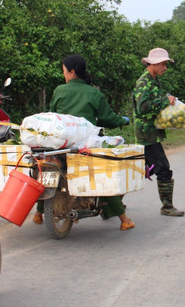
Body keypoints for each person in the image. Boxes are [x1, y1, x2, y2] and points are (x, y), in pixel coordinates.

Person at [33, 54, 134, 230]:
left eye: (64, 71)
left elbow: (53, 115)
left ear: (72, 72)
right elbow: (108, 118)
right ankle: (124, 220)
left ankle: (38, 214)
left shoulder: (59, 90)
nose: (63, 75)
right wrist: (122, 121)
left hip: (60, 144)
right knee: (101, 175)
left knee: (49, 173)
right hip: (84, 147)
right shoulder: (94, 93)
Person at [133, 47, 184, 217]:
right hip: (146, 135)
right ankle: (167, 207)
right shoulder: (143, 82)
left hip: (152, 133)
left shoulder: (154, 81)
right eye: (163, 64)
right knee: (162, 168)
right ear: (153, 64)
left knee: (139, 169)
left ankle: (112, 202)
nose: (165, 68)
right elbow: (142, 107)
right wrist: (164, 101)